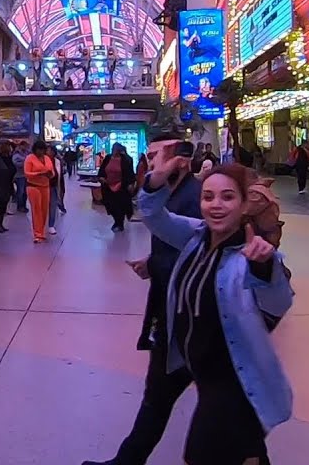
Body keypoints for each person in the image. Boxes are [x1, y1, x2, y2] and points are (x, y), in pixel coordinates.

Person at [94, 154, 292, 465]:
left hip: (230, 376)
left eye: (228, 197)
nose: (216, 205)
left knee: (204, 453)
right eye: (208, 197)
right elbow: (155, 216)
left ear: (243, 206)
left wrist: (265, 269)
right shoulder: (197, 236)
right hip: (186, 356)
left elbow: (278, 302)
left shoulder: (252, 256)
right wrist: (155, 182)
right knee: (244, 451)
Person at [86, 134, 201, 465]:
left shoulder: (192, 198)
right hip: (173, 314)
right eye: (149, 156)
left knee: (180, 401)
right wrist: (154, 263)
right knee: (158, 398)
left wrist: (157, 263)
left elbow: (199, 255)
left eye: (158, 156)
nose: (152, 162)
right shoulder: (172, 194)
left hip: (190, 319)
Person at [98, 143, 136, 232]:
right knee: (110, 205)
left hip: (121, 186)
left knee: (119, 205)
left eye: (115, 149)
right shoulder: (108, 158)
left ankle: (119, 223)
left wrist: (130, 184)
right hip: (108, 185)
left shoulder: (126, 160)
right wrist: (101, 177)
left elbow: (129, 173)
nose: (113, 150)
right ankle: (117, 221)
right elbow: (102, 170)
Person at [23, 141, 54, 243]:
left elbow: (52, 172)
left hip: (45, 186)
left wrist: (49, 174)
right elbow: (27, 173)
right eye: (39, 149)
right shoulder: (29, 158)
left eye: (42, 149)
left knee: (44, 210)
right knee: (36, 210)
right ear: (35, 149)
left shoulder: (47, 158)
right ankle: (37, 234)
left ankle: (42, 231)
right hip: (33, 187)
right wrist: (39, 173)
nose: (41, 151)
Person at [0, 142, 15, 234]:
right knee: (0, 206)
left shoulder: (8, 158)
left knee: (3, 205)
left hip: (7, 184)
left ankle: (0, 223)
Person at [46, 144, 66, 232]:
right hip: (41, 187)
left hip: (53, 186)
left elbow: (60, 175)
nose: (48, 152)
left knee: (52, 206)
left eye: (50, 151)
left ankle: (51, 225)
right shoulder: (42, 161)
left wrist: (61, 187)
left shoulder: (57, 161)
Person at [12, 141, 29, 214]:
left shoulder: (27, 153)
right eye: (24, 146)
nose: (25, 147)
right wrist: (25, 163)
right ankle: (20, 206)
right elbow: (15, 163)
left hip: (26, 175)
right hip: (19, 175)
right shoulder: (16, 154)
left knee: (25, 192)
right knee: (20, 191)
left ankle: (24, 205)